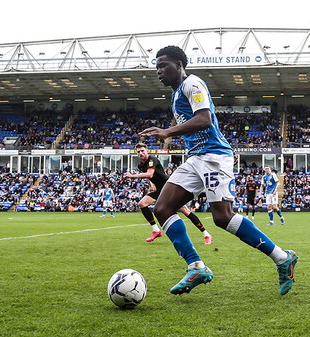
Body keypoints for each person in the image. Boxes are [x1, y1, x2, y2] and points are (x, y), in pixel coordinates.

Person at [139, 45, 298, 296]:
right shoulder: (176, 94)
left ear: (179, 65)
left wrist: (168, 132)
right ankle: (196, 267)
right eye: (156, 66)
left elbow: (204, 119)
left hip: (214, 157)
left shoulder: (193, 84)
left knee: (222, 217)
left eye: (163, 65)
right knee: (161, 207)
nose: (158, 71)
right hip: (195, 159)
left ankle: (282, 258)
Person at [125, 142, 212, 244]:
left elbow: (150, 173)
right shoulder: (141, 165)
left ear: (147, 151)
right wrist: (151, 185)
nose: (140, 153)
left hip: (169, 188)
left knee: (184, 210)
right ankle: (156, 231)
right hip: (159, 190)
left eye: (142, 151)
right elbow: (150, 177)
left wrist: (132, 176)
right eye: (138, 152)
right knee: (142, 204)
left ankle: (206, 234)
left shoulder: (153, 160)